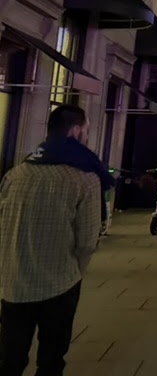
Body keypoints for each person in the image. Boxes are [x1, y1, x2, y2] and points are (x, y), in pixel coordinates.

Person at [0, 104, 108, 376]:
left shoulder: (15, 174)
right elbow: (87, 239)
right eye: (86, 131)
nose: (87, 137)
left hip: (13, 283)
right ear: (75, 131)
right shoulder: (85, 178)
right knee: (51, 359)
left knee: (10, 357)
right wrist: (77, 271)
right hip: (60, 283)